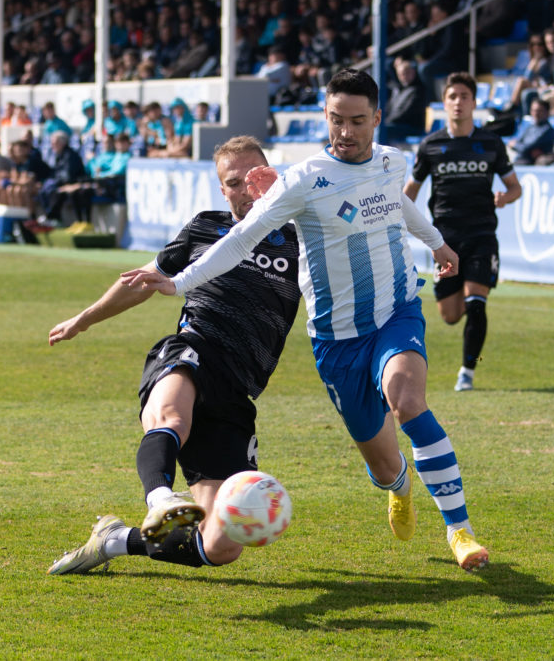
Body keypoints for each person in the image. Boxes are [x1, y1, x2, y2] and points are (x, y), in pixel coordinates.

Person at [123, 69, 490, 571]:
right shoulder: (303, 180)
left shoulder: (391, 161)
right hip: (337, 339)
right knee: (382, 464)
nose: (345, 131)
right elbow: (241, 238)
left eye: (358, 121)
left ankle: (460, 530)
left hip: (397, 310)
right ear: (325, 117)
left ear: (377, 118)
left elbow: (398, 203)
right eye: (336, 120)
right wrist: (180, 282)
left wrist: (438, 243)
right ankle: (399, 485)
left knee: (407, 399)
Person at [46, 136, 301, 574]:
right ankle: (161, 499)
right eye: (233, 182)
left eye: (254, 176)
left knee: (221, 546)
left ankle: (115, 541)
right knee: (172, 418)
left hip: (237, 389)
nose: (246, 189)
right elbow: (144, 279)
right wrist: (84, 319)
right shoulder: (206, 226)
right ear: (223, 189)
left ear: (272, 175)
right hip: (193, 346)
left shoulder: (303, 242)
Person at [404, 71, 522, 393]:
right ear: (444, 103)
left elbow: (515, 188)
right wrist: (396, 219)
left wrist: (504, 197)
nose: (458, 102)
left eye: (464, 96)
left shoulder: (490, 144)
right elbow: (408, 194)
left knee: (477, 303)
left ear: (474, 102)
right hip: (444, 240)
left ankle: (467, 373)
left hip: (482, 235)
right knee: (451, 315)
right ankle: (466, 307)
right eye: (452, 96)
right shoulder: (431, 146)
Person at [384, 57, 427, 141]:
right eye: (401, 74)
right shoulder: (397, 90)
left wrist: (386, 121)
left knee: (383, 130)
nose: (404, 77)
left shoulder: (418, 90)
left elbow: (405, 114)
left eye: (407, 73)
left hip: (412, 127)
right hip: (397, 125)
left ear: (413, 72)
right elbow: (389, 109)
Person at [507, 97, 554, 165]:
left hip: (530, 163)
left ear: (547, 112)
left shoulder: (547, 130)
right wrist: (517, 145)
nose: (535, 113)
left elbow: (525, 148)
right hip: (520, 158)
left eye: (539, 111)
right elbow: (520, 141)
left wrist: (515, 145)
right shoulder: (531, 126)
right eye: (533, 110)